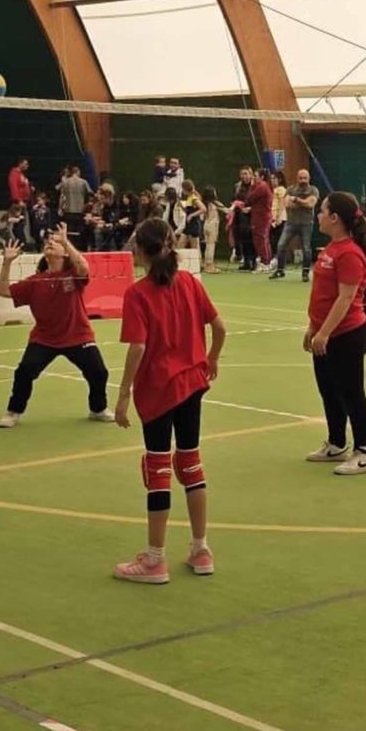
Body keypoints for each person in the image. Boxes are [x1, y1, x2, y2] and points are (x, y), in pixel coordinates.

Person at [111, 216, 224, 583]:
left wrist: (123, 393)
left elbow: (138, 347)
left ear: (142, 250)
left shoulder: (138, 293)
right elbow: (219, 327)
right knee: (191, 463)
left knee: (158, 469)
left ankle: (155, 559)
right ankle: (201, 549)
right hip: (192, 384)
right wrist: (212, 358)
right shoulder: (190, 282)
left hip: (159, 390)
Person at [0, 225, 109, 428]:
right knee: (24, 372)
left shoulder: (73, 275)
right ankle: (14, 411)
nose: (50, 242)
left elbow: (84, 267)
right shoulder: (35, 282)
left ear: (64, 253)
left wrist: (65, 241)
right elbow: (3, 291)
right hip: (44, 339)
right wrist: (7, 262)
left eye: (55, 243)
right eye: (48, 242)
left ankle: (98, 409)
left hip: (78, 335)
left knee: (98, 372)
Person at [304, 192, 366, 475]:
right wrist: (313, 327)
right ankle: (336, 443)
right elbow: (322, 294)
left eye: (323, 211)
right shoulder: (330, 249)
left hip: (347, 334)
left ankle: (365, 452)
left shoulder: (350, 253)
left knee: (352, 393)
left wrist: (325, 333)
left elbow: (345, 298)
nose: (319, 215)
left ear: (334, 218)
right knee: (329, 391)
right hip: (324, 332)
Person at [274, 169, 317, 279]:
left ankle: (305, 272)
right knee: (281, 245)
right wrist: (303, 202)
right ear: (297, 178)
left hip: (306, 223)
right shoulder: (290, 189)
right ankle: (280, 270)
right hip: (291, 223)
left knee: (306, 248)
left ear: (309, 178)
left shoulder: (313, 190)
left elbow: (310, 204)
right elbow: (287, 204)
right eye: (300, 178)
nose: (303, 180)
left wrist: (296, 200)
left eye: (305, 178)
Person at [246, 166, 275, 272]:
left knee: (260, 240)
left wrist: (252, 186)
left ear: (262, 177)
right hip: (261, 216)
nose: (253, 178)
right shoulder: (265, 186)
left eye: (255, 176)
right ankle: (267, 261)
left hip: (261, 217)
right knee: (264, 239)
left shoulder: (262, 186)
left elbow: (249, 198)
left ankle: (264, 262)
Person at [8, 158, 33, 250]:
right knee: (19, 223)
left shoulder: (21, 174)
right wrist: (18, 200)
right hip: (18, 203)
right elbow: (13, 187)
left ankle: (21, 243)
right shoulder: (14, 174)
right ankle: (22, 243)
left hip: (23, 202)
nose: (27, 166)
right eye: (25, 164)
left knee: (21, 223)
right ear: (20, 163)